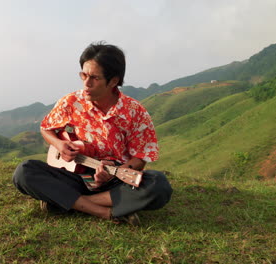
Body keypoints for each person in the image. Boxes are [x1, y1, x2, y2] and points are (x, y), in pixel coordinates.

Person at [13, 42, 172, 225]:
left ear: (113, 81)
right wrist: (59, 144)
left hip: (115, 181)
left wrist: (115, 173)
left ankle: (67, 202)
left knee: (158, 185)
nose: (86, 84)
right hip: (74, 177)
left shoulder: (135, 112)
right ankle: (105, 212)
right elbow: (46, 127)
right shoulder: (71, 102)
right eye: (84, 75)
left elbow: (141, 156)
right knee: (24, 172)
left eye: (94, 78)